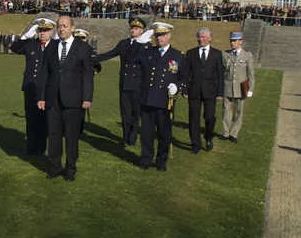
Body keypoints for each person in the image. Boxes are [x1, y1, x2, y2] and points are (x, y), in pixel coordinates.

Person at [37, 14, 94, 181]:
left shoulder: (83, 48)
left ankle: (70, 169)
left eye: (65, 26)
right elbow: (44, 73)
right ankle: (54, 167)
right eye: (59, 26)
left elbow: (87, 76)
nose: (61, 29)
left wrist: (87, 97)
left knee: (71, 137)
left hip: (74, 100)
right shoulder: (51, 47)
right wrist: (41, 97)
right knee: (54, 136)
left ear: (72, 28)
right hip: (52, 99)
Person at [135, 22, 185, 171]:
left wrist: (178, 87)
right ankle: (146, 158)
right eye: (157, 35)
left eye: (162, 35)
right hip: (148, 99)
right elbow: (132, 58)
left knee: (164, 134)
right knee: (146, 134)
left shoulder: (178, 55)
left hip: (165, 101)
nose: (159, 38)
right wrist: (140, 42)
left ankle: (161, 161)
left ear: (169, 36)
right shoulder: (148, 52)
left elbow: (184, 77)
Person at [94, 17, 147, 146]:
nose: (133, 30)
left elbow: (139, 61)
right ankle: (125, 136)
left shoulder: (145, 45)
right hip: (124, 83)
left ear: (141, 31)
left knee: (136, 112)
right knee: (125, 112)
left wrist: (141, 44)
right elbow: (111, 53)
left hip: (137, 85)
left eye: (136, 28)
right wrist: (93, 59)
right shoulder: (123, 43)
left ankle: (133, 136)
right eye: (132, 28)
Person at [10, 17, 55, 155]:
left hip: (47, 89)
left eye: (46, 30)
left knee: (43, 120)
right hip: (30, 87)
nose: (42, 33)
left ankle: (41, 147)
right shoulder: (31, 44)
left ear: (52, 31)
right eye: (40, 30)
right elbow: (14, 48)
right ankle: (30, 147)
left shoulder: (56, 46)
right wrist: (26, 35)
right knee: (30, 118)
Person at [184, 27, 224, 153]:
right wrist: (185, 89)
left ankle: (208, 137)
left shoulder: (217, 54)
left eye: (204, 37)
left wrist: (220, 92)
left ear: (210, 38)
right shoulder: (191, 53)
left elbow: (220, 75)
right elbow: (186, 73)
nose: (201, 39)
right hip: (194, 91)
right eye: (199, 37)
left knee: (210, 117)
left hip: (210, 91)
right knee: (193, 118)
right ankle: (195, 143)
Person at [221, 31, 255, 143]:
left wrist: (251, 88)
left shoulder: (247, 55)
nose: (232, 43)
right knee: (226, 111)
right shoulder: (225, 54)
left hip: (241, 88)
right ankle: (225, 133)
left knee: (239, 112)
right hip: (228, 86)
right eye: (231, 40)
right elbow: (222, 71)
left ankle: (234, 133)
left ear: (241, 42)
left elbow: (250, 74)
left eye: (235, 41)